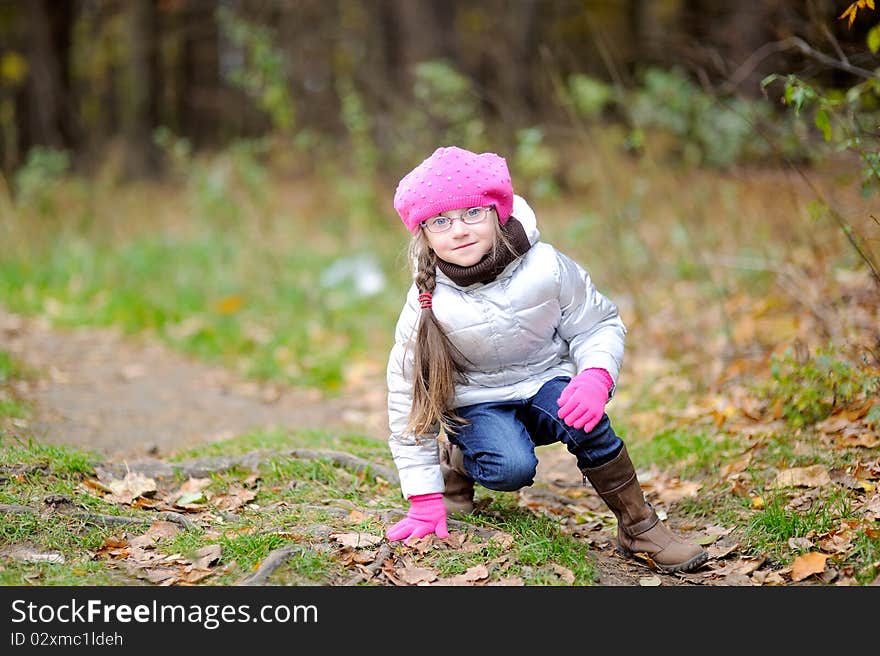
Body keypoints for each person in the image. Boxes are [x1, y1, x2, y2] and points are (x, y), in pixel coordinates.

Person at [383, 145, 707, 573]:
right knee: (510, 468)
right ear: (423, 232)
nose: (458, 231)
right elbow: (408, 395)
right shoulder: (426, 302)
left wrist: (594, 375)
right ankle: (459, 462)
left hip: (543, 381)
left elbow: (598, 324)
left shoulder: (546, 267)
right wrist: (423, 496)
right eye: (441, 221)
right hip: (477, 402)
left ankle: (639, 525)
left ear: (498, 211)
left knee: (584, 419)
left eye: (472, 214)